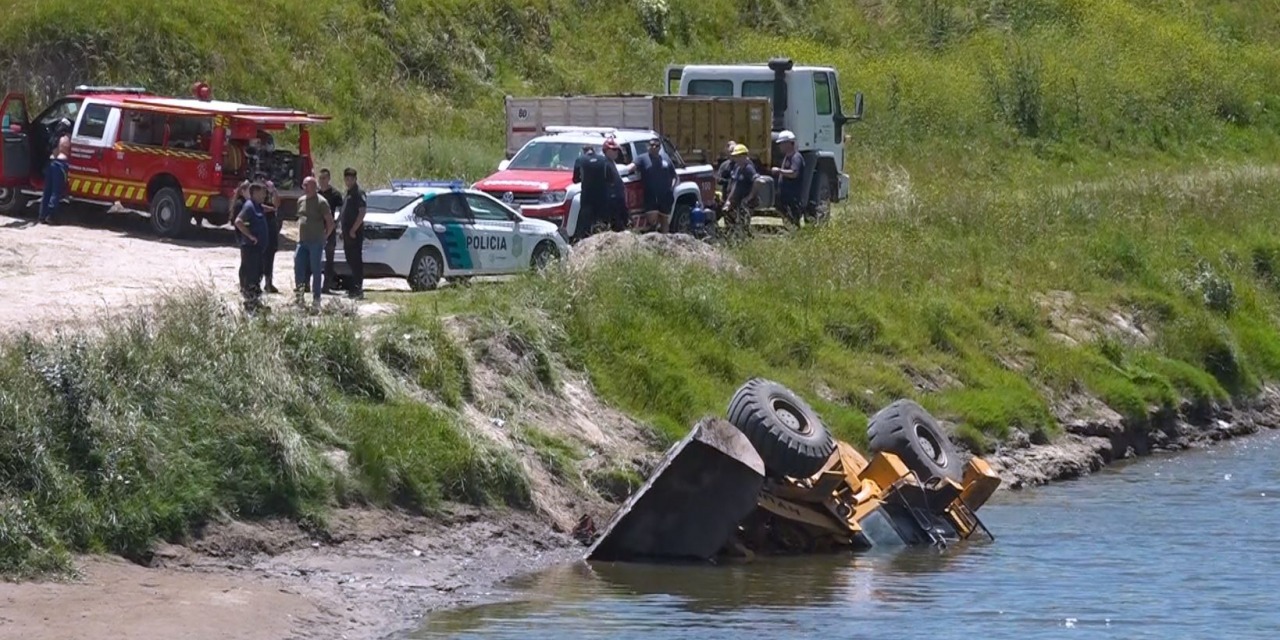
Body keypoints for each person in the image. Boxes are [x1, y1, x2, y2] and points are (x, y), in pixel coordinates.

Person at [294, 176, 334, 312]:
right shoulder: (301, 201)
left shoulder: (321, 202)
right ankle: (299, 298)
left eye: (307, 185)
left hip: (316, 242)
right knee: (298, 267)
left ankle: (316, 299)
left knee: (316, 270)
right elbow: (300, 219)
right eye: (303, 185)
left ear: (314, 186)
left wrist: (325, 236)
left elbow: (330, 222)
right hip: (302, 241)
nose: (304, 188)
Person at [234, 182, 270, 313]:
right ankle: (250, 304)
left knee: (257, 275)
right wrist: (250, 236)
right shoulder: (249, 206)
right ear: (254, 193)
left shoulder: (258, 206)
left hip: (258, 250)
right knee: (251, 276)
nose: (265, 195)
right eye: (262, 192)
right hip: (250, 249)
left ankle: (255, 302)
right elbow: (238, 222)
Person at [633, 137, 677, 232]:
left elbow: (674, 176)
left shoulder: (666, 159)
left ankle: (665, 241)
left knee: (664, 220)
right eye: (651, 145)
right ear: (647, 146)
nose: (654, 147)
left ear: (660, 147)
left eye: (657, 145)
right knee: (652, 221)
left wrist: (671, 188)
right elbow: (631, 167)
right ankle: (655, 238)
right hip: (650, 195)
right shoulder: (642, 158)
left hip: (665, 195)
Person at [571, 144, 611, 241]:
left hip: (587, 196)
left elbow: (575, 179)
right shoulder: (603, 159)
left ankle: (584, 240)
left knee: (585, 222)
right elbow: (610, 178)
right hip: (602, 196)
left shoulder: (580, 160)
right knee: (601, 221)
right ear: (593, 150)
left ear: (584, 151)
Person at [340, 167, 367, 300]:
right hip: (347, 233)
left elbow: (362, 212)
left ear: (355, 179)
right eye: (347, 179)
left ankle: (358, 288)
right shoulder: (348, 193)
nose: (348, 181)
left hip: (354, 233)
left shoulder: (358, 193)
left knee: (356, 261)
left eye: (351, 179)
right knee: (350, 260)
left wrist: (353, 230)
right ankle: (353, 287)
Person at [316, 168, 345, 293]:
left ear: (328, 179)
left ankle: (326, 285)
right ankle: (308, 284)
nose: (322, 181)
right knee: (314, 257)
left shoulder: (335, 194)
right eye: (320, 178)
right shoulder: (316, 193)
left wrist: (337, 224)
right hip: (316, 229)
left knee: (329, 258)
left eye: (324, 178)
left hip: (330, 228)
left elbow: (342, 211)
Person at [770, 130, 805, 226]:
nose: (780, 146)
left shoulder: (796, 157)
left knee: (793, 221)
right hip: (785, 196)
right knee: (787, 221)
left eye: (782, 144)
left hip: (792, 197)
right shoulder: (787, 157)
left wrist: (779, 171)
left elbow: (794, 173)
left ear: (789, 143)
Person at [722, 143, 761, 227]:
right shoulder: (738, 168)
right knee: (733, 222)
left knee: (744, 225)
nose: (736, 159)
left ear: (744, 156)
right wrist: (728, 201)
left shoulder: (748, 168)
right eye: (735, 156)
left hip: (746, 203)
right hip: (738, 201)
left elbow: (757, 181)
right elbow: (734, 185)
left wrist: (749, 197)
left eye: (738, 156)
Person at [256, 172, 282, 293]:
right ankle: (256, 282)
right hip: (260, 224)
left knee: (270, 253)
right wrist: (272, 209)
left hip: (270, 224)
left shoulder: (269, 193)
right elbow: (259, 207)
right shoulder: (255, 193)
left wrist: (274, 191)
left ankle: (268, 282)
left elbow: (277, 204)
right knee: (258, 255)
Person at [37, 137, 70, 225]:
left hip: (51, 162)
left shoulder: (56, 137)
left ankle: (42, 216)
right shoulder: (67, 138)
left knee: (47, 191)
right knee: (56, 191)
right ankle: (51, 216)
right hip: (61, 164)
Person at [601, 138, 628, 232]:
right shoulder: (604, 164)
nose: (617, 152)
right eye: (614, 150)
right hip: (612, 201)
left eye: (617, 149)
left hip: (618, 199)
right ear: (607, 151)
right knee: (616, 226)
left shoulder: (612, 162)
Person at [716, 139, 737, 204]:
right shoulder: (724, 165)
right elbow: (718, 180)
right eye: (731, 151)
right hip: (726, 196)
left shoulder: (742, 164)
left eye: (734, 151)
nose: (732, 153)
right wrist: (728, 181)